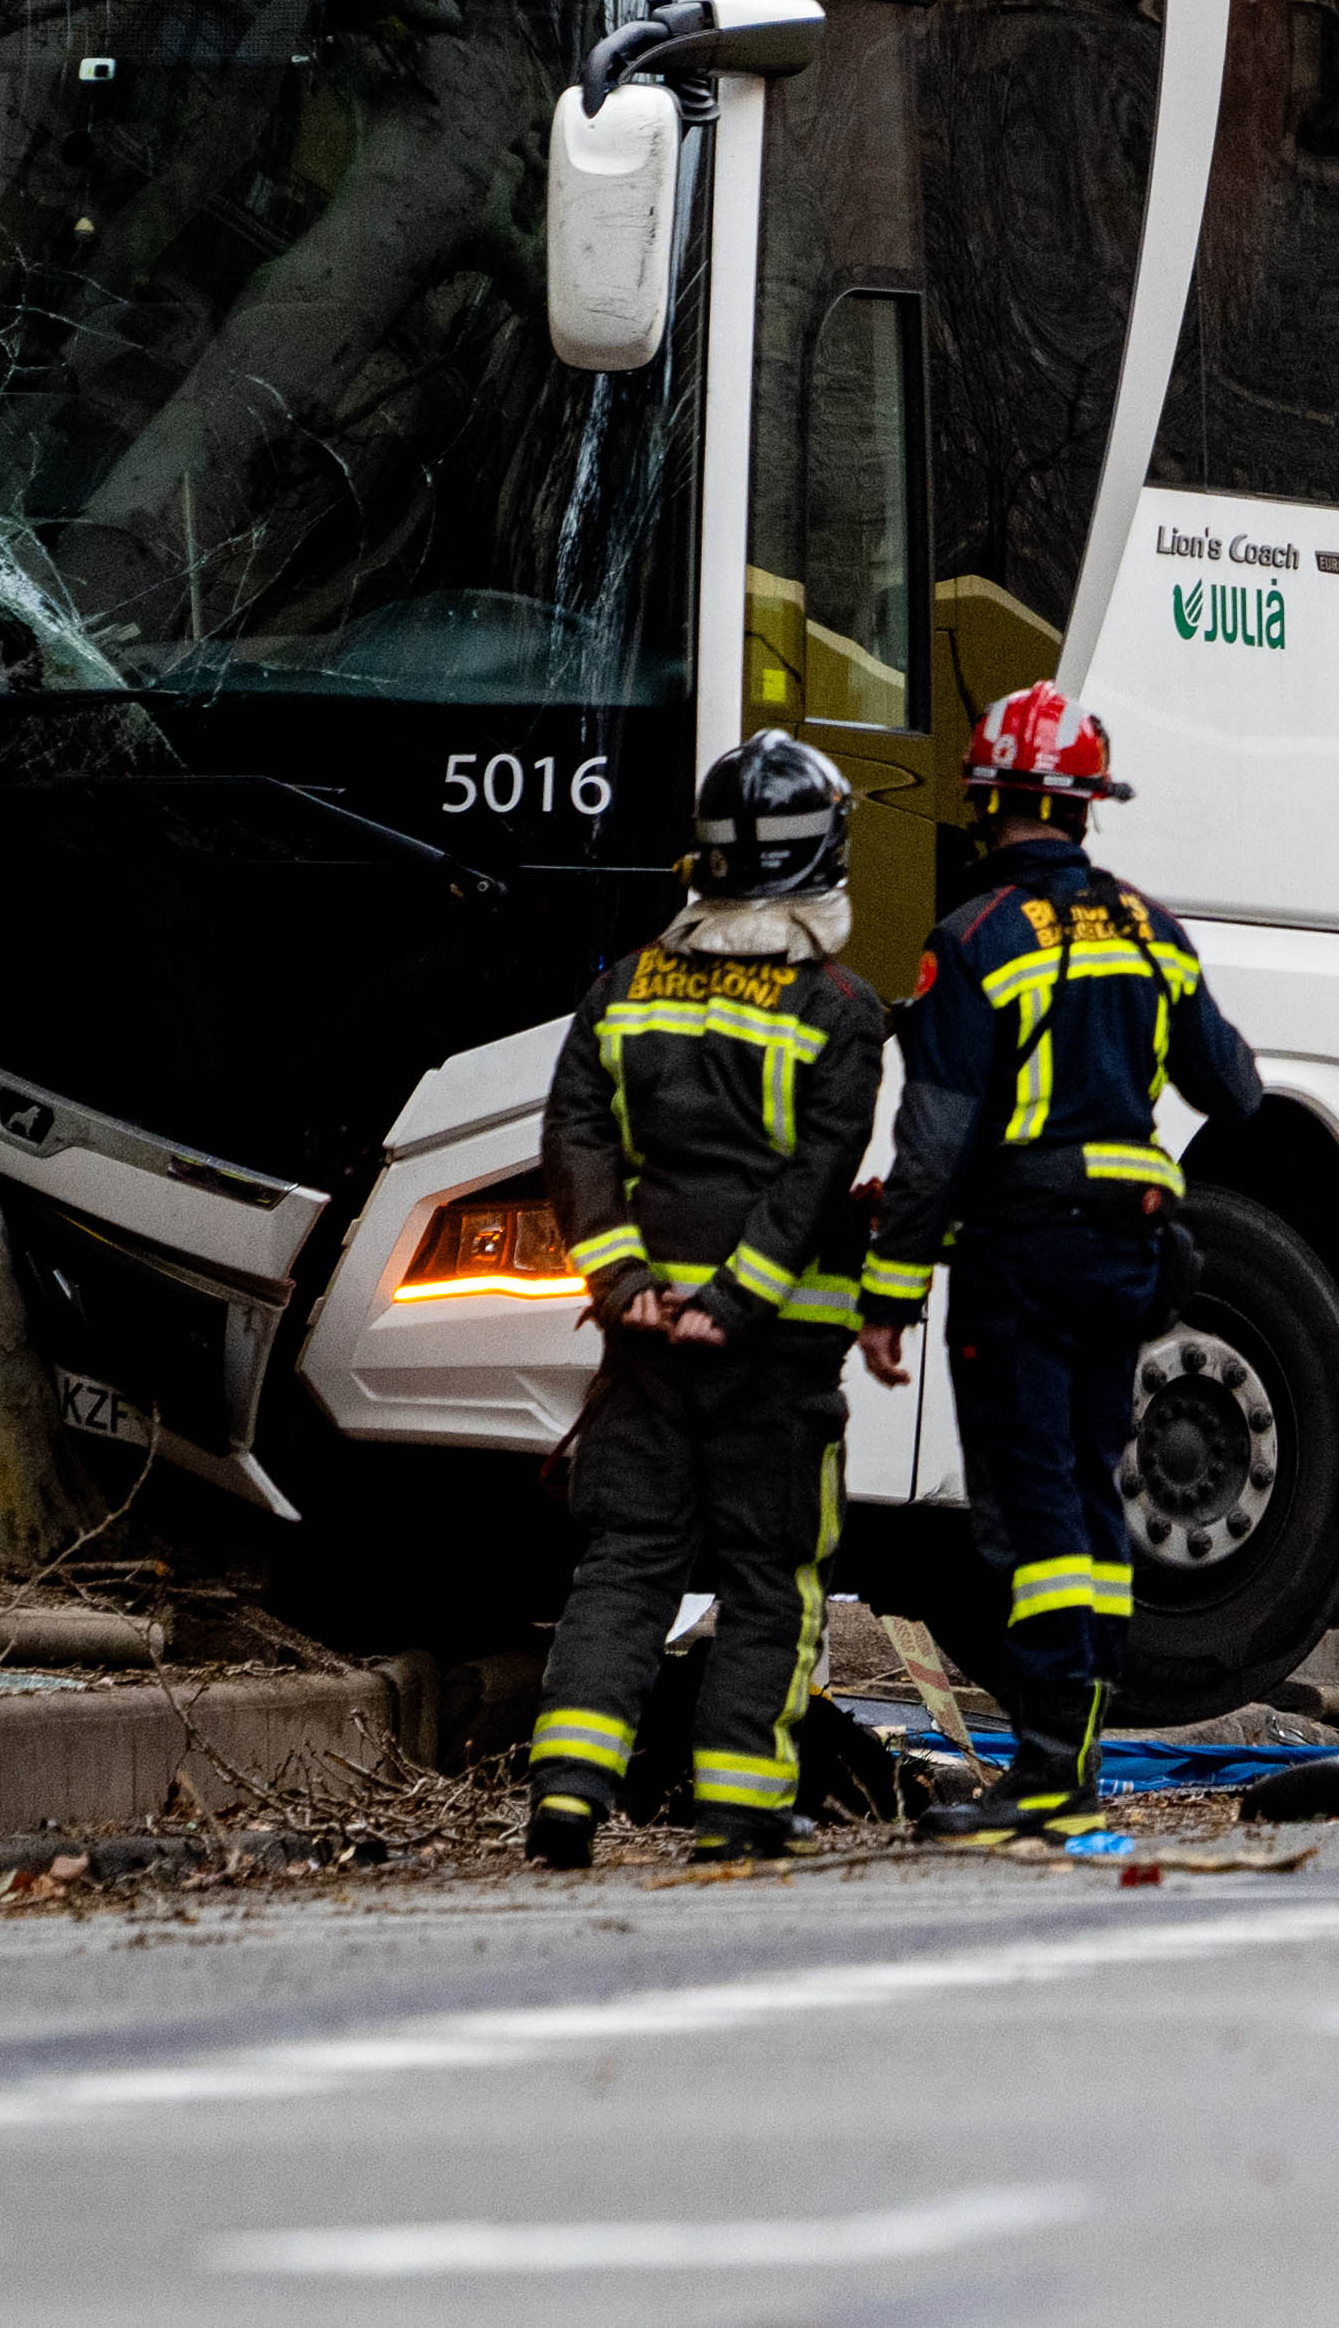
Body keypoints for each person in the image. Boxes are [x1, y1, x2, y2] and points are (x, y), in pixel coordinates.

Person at [857, 682, 1261, 1836]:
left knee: (1032, 1508)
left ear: (985, 803)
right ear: (1087, 807)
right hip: (1126, 1258)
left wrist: (887, 1294)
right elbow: (1234, 1091)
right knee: (1091, 1492)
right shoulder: (1149, 930)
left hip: (1019, 1260)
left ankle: (1044, 1776)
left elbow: (931, 1144)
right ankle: (1067, 1761)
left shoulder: (972, 941)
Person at [525, 730, 886, 1870]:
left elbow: (572, 1140)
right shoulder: (838, 1008)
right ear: (821, 857)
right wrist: (733, 1303)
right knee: (768, 1579)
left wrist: (623, 1281)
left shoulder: (622, 986)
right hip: (770, 1361)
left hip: (638, 1352)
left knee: (624, 1567)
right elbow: (811, 1179)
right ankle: (738, 1813)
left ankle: (569, 1799)